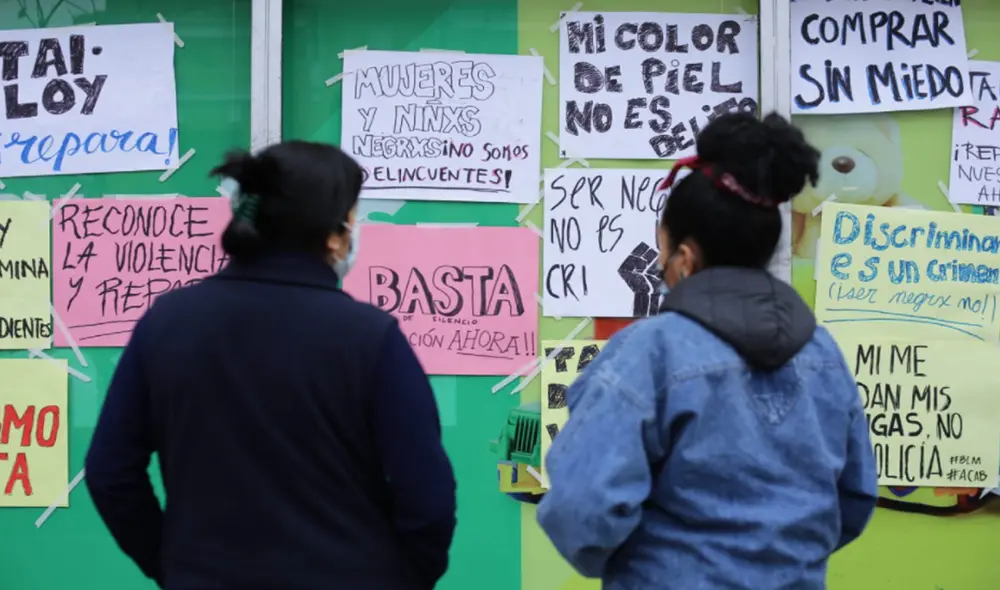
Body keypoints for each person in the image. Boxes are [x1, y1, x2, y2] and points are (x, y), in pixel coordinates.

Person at [85, 141, 457, 590]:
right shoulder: (369, 337)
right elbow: (428, 499)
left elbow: (110, 471)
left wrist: (171, 565)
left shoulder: (167, 321)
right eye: (355, 217)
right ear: (332, 232)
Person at [536, 113, 878, 589]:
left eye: (662, 247)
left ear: (686, 256)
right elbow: (855, 498)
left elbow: (581, 508)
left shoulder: (646, 353)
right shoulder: (823, 354)